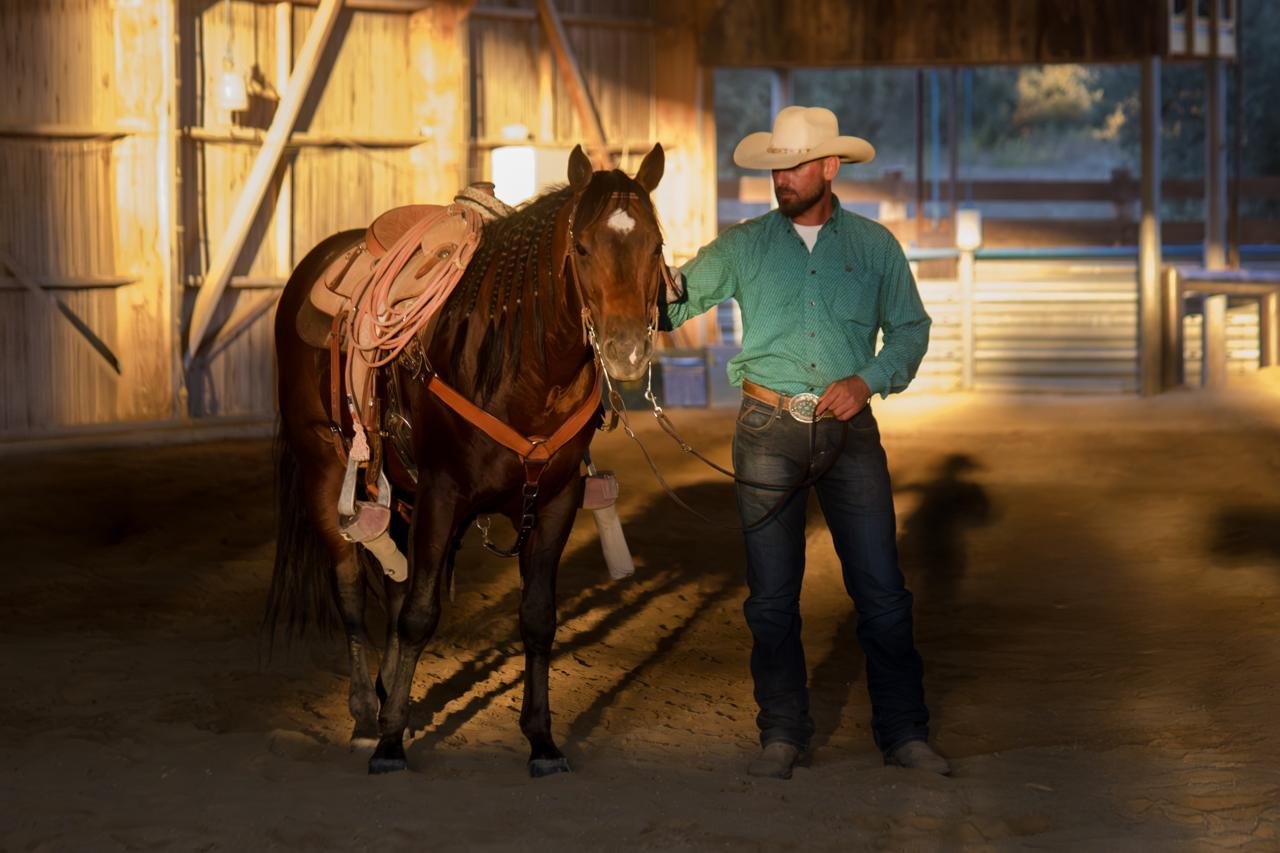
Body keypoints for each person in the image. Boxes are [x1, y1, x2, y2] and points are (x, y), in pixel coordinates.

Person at [660, 106, 949, 778]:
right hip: (766, 428)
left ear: (829, 167)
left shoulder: (875, 247)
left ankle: (905, 732)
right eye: (775, 167)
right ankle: (782, 731)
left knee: (882, 589)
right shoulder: (742, 246)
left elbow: (911, 329)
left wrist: (869, 379)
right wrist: (641, 273)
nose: (781, 178)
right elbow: (670, 305)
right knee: (770, 595)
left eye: (793, 166)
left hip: (849, 431)